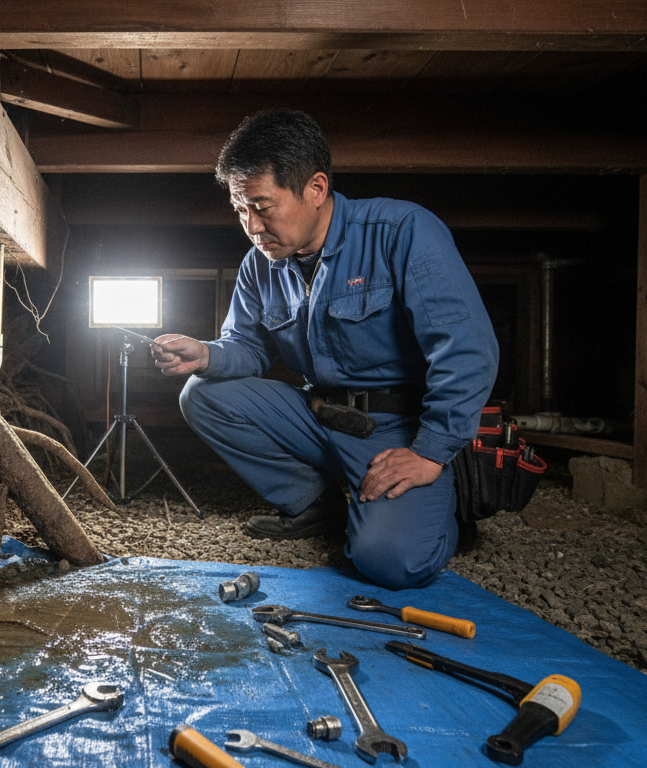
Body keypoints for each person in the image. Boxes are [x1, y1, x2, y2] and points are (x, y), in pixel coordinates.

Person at [152, 109, 498, 591]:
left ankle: (440, 506)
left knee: (390, 562)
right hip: (318, 415)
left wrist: (431, 452)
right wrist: (206, 355)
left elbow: (467, 350)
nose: (251, 226)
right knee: (202, 393)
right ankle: (320, 505)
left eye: (262, 206)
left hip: (395, 428)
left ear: (316, 189)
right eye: (239, 210)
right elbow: (247, 348)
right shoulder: (260, 263)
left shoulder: (403, 232)